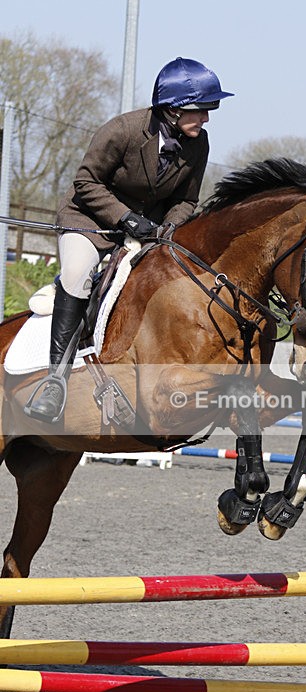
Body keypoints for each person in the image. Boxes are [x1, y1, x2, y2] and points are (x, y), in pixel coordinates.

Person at [25, 57, 233, 423]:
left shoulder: (198, 143)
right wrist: (124, 218)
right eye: (201, 110)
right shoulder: (122, 130)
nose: (206, 118)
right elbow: (86, 183)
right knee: (77, 276)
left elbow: (186, 199)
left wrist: (167, 230)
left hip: (148, 231)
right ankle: (55, 382)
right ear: (171, 110)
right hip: (90, 223)